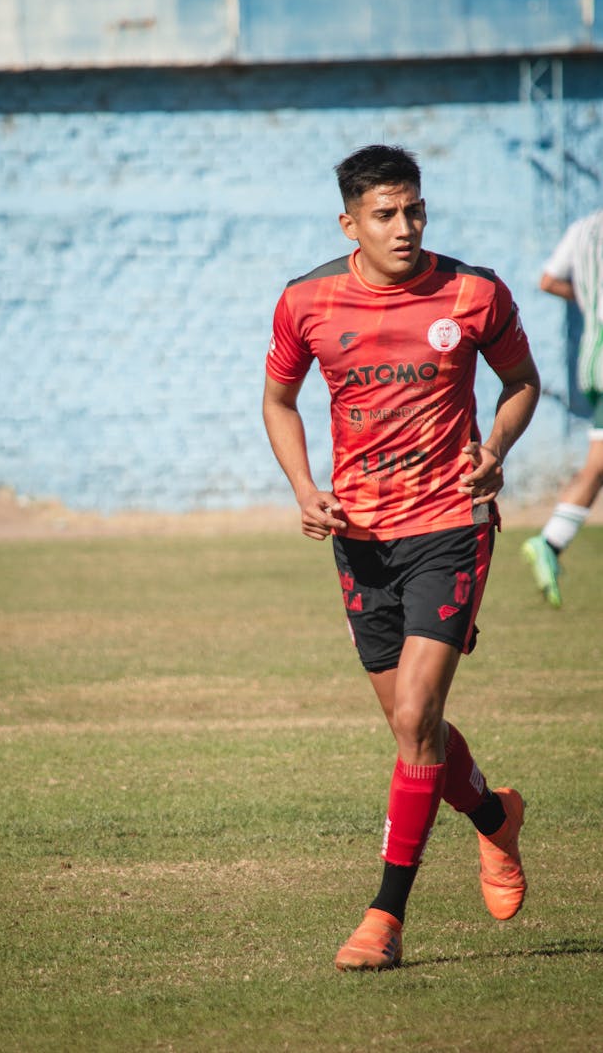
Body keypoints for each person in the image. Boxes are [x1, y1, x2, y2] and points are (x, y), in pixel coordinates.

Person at [262, 144, 541, 971]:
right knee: (408, 725)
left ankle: (383, 919)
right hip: (361, 539)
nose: (406, 228)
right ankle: (494, 817)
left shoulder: (473, 292)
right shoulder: (305, 300)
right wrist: (306, 489)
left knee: (417, 719)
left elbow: (523, 381)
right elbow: (279, 401)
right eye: (386, 215)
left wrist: (495, 447)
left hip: (452, 523)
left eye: (414, 210)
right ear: (349, 222)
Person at [521, 209, 603, 608]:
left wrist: (589, 296)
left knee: (598, 462)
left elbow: (549, 280)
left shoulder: (585, 228)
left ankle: (551, 542)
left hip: (594, 355)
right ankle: (550, 542)